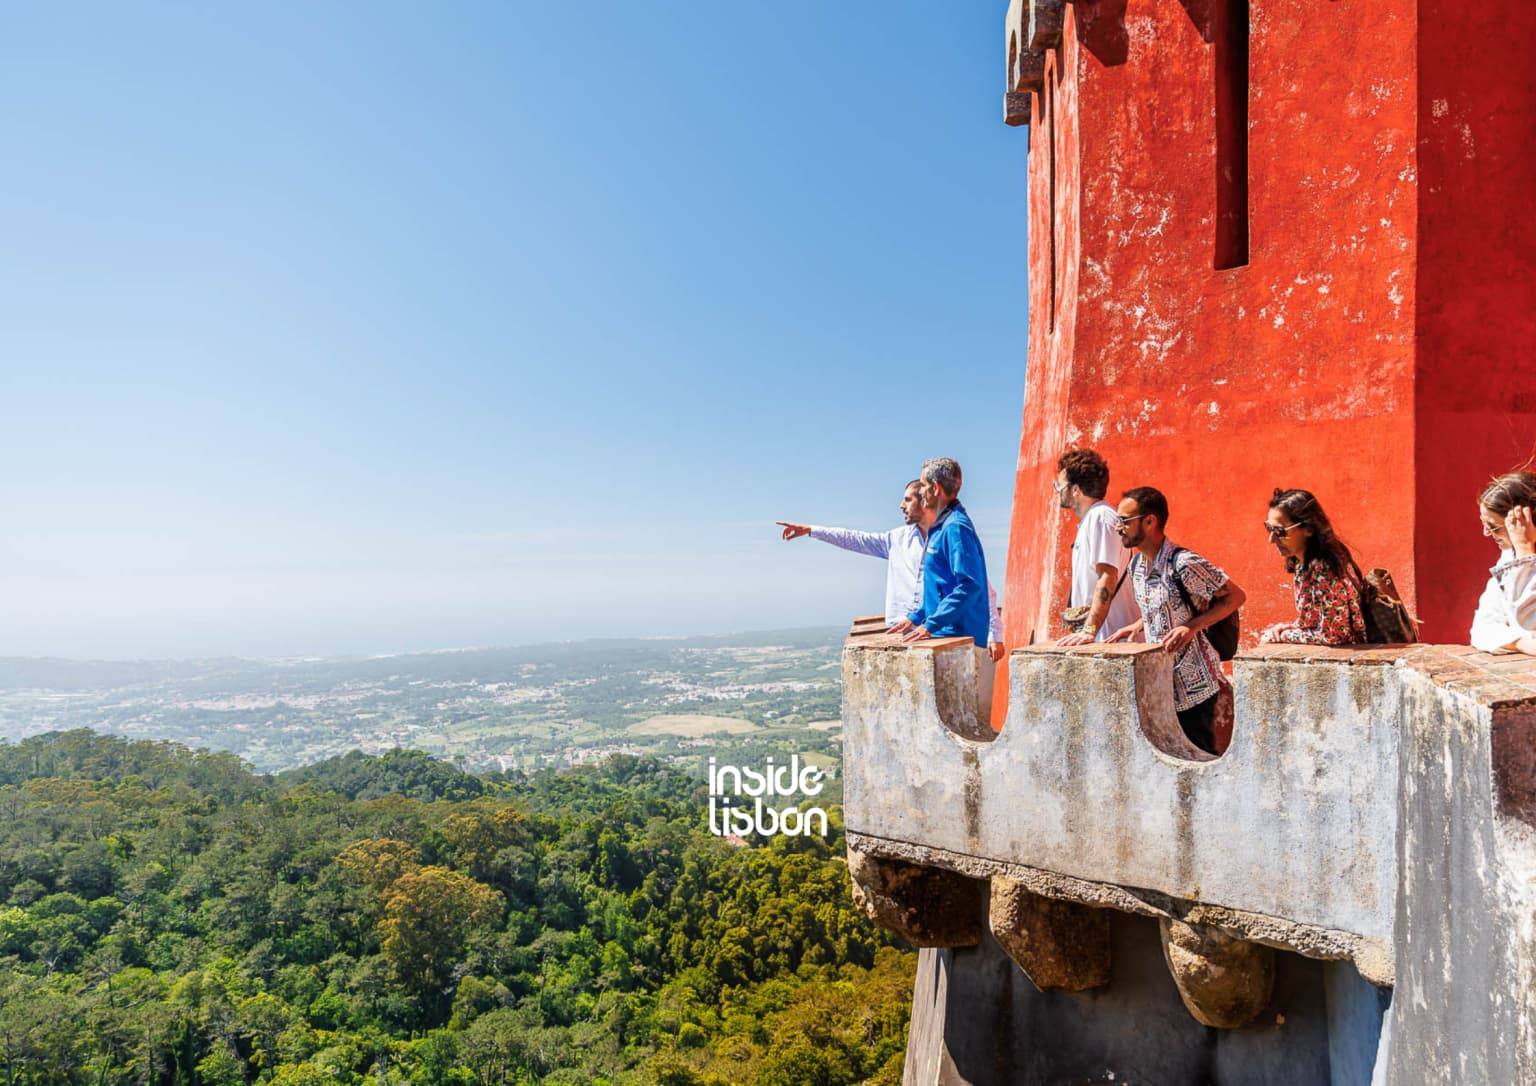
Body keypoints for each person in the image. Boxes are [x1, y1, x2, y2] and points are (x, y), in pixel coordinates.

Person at [779, 481, 1004, 660]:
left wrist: (995, 634)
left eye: (907, 499)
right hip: (903, 631)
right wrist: (813, 530)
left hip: (937, 633)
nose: (901, 505)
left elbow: (980, 587)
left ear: (924, 501)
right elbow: (856, 539)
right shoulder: (896, 539)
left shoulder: (948, 534)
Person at [1105, 486, 1245, 755]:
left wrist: (1191, 627)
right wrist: (1136, 626)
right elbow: (1160, 608)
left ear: (1149, 521)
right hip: (1161, 685)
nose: (1118, 527)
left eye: (1124, 520)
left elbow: (1236, 597)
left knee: (1197, 757)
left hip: (1194, 685)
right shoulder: (1136, 567)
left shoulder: (1183, 564)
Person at [888, 458, 997, 716]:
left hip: (957, 637)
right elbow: (940, 586)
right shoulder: (942, 526)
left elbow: (969, 586)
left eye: (924, 485)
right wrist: (916, 617)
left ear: (936, 488)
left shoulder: (955, 528)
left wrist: (930, 625)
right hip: (947, 634)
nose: (921, 491)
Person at [1257, 488, 1368, 646]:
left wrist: (1284, 636)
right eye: (1269, 528)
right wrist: (1289, 628)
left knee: (1267, 640)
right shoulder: (1301, 563)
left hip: (1347, 658)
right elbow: (1315, 621)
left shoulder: (1325, 570)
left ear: (1308, 529)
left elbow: (1334, 636)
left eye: (1280, 531)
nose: (1271, 539)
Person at [1053, 448, 1139, 646]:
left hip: (1109, 638)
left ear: (1075, 490)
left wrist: (1089, 630)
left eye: (1060, 486)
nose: (1057, 491)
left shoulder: (1100, 517)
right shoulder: (1093, 519)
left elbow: (1108, 576)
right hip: (1102, 637)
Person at [1470, 470, 1536, 656]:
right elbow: (1482, 627)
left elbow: (1530, 619)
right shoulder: (1510, 558)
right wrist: (1521, 643)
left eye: (1493, 526)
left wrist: (1525, 548)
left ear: (1524, 519)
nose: (1486, 533)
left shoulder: (1520, 556)